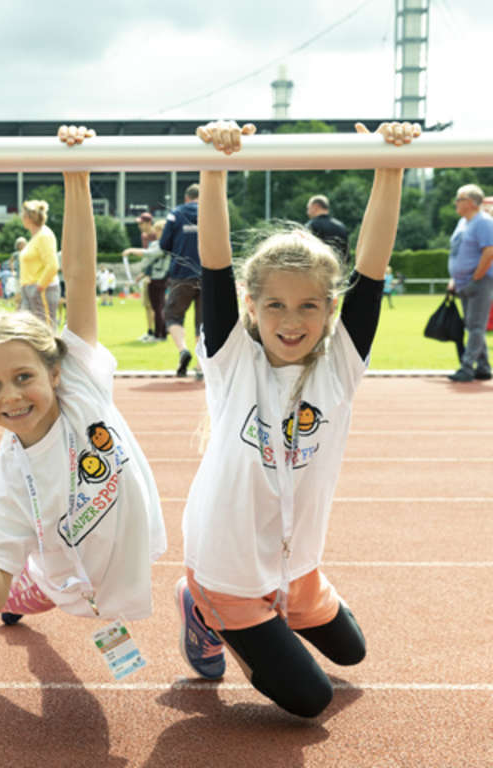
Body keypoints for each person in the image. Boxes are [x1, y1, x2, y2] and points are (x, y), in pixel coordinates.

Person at [174, 119, 420, 719]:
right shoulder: (233, 360)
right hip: (229, 566)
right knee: (312, 700)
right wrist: (214, 166)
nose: (291, 321)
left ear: (330, 309)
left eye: (309, 305)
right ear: (251, 305)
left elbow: (372, 266)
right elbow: (213, 262)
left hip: (295, 565)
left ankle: (274, 616)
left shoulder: (340, 366)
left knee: (351, 653)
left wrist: (390, 165)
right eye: (276, 305)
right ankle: (203, 606)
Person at [0, 125, 167, 647]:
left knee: (32, 589)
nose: (12, 395)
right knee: (17, 597)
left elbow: (79, 274)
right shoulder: (10, 476)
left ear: (56, 371)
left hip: (86, 558)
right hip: (58, 575)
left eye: (24, 377)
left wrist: (77, 174)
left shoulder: (81, 384)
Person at [445, 183, 493, 382]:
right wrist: (454, 279)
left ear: (472, 202)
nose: (456, 202)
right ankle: (483, 367)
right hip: (463, 283)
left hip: (479, 282)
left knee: (475, 327)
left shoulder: (484, 222)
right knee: (473, 326)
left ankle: (467, 367)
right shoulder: (463, 222)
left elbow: (489, 251)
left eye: (460, 199)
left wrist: (476, 278)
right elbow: (457, 253)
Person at [160, 184, 202, 377]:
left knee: (173, 316)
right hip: (207, 274)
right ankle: (201, 365)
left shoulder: (175, 214)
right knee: (204, 323)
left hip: (181, 274)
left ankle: (183, 349)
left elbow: (164, 244)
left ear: (186, 198)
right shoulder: (212, 212)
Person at [125, 214, 169, 343]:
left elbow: (150, 255)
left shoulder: (161, 243)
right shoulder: (153, 240)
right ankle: (159, 333)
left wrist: (132, 251)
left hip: (157, 277)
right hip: (156, 277)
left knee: (157, 307)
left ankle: (157, 334)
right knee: (156, 307)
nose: (139, 226)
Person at [19, 199, 60, 327]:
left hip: (42, 289)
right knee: (28, 328)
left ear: (29, 217)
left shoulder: (44, 236)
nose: (21, 217)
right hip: (30, 288)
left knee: (45, 328)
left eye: (23, 214)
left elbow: (52, 265)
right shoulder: (35, 237)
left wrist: (38, 288)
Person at [305, 195, 350, 265]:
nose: (307, 212)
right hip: (338, 267)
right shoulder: (341, 226)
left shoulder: (311, 225)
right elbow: (346, 254)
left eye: (308, 208)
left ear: (316, 206)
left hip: (318, 267)